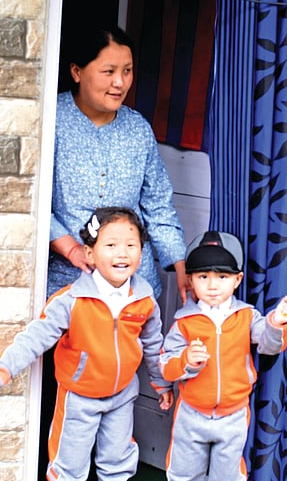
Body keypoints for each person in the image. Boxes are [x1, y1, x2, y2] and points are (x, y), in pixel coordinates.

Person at [0, 207, 170, 481]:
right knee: (69, 462)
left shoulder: (144, 297)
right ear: (89, 254)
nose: (122, 253)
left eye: (131, 245)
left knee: (118, 457)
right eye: (111, 245)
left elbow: (153, 344)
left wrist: (161, 384)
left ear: (141, 252)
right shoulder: (71, 300)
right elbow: (36, 337)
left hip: (123, 394)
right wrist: (1, 370)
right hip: (79, 396)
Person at [157, 231, 287, 481]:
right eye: (202, 276)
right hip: (192, 412)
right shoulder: (183, 321)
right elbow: (165, 363)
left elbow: (270, 345)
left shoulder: (246, 316)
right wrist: (186, 361)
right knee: (184, 469)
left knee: (228, 470)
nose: (212, 285)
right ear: (190, 281)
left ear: (237, 280)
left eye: (221, 277)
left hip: (233, 413)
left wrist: (277, 322)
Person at [48, 25, 188, 302]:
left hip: (133, 290)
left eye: (127, 71)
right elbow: (31, 202)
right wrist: (71, 249)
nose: (120, 83)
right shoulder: (51, 120)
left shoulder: (138, 129)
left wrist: (181, 266)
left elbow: (158, 205)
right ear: (76, 72)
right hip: (67, 285)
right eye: (109, 71)